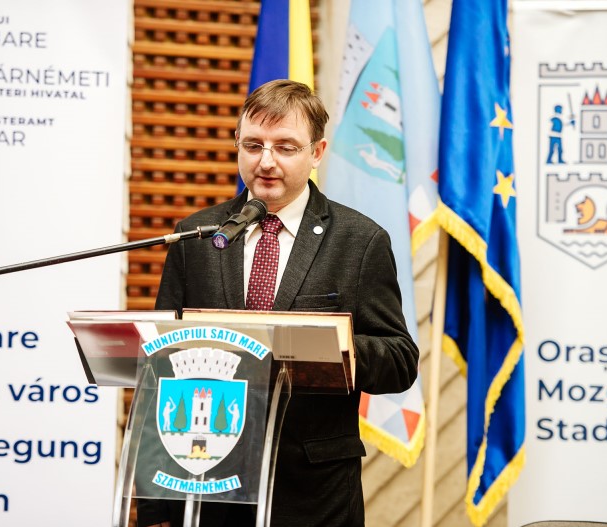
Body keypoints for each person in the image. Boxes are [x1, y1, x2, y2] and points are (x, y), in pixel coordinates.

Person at [138, 79, 419, 527]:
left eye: (285, 148)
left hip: (313, 496)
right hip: (206, 486)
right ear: (237, 143)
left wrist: (328, 346)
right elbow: (159, 369)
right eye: (253, 145)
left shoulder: (359, 241)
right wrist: (154, 504)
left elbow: (400, 361)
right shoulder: (196, 235)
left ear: (317, 152)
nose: (266, 161)